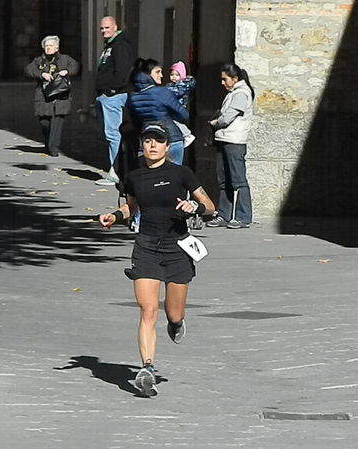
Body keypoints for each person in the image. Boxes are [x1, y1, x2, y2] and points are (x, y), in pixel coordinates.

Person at [99, 122, 215, 397]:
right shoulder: (133, 177)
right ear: (142, 145)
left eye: (158, 141)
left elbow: (210, 206)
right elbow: (130, 207)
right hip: (147, 247)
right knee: (147, 310)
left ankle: (176, 323)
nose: (152, 145)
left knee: (172, 312)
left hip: (177, 248)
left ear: (167, 146)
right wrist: (113, 217)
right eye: (148, 140)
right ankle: (147, 368)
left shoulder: (181, 174)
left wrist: (194, 206)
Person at [206, 63, 254, 229]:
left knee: (238, 180)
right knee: (224, 180)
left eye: (225, 79)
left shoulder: (241, 93)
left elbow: (227, 117)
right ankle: (224, 215)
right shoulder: (233, 92)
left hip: (234, 141)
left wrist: (215, 123)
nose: (222, 83)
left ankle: (243, 216)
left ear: (235, 79)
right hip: (225, 139)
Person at [24, 35, 79, 157]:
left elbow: (75, 66)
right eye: (46, 46)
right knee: (45, 122)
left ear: (57, 47)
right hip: (44, 96)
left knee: (57, 121)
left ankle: (53, 147)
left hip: (61, 96)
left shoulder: (65, 59)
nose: (48, 48)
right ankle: (48, 142)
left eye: (51, 46)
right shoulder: (39, 60)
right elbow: (28, 69)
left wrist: (67, 71)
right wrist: (41, 74)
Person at [127, 58, 189, 166]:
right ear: (148, 74)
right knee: (174, 176)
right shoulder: (162, 92)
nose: (161, 75)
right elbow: (184, 115)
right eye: (157, 72)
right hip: (171, 138)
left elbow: (135, 121)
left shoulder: (133, 96)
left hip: (148, 139)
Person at [95, 16, 134, 186]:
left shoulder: (120, 45)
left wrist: (112, 90)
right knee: (110, 133)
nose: (104, 31)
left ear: (115, 27)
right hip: (107, 96)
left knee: (113, 134)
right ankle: (115, 169)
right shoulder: (110, 45)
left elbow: (122, 71)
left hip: (114, 96)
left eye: (107, 27)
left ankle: (116, 171)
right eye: (102, 28)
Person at [166, 60, 196, 148]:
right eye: (172, 75)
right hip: (173, 109)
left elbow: (176, 92)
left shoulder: (182, 86)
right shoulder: (171, 86)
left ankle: (187, 135)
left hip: (179, 109)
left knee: (175, 122)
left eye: (177, 75)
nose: (174, 77)